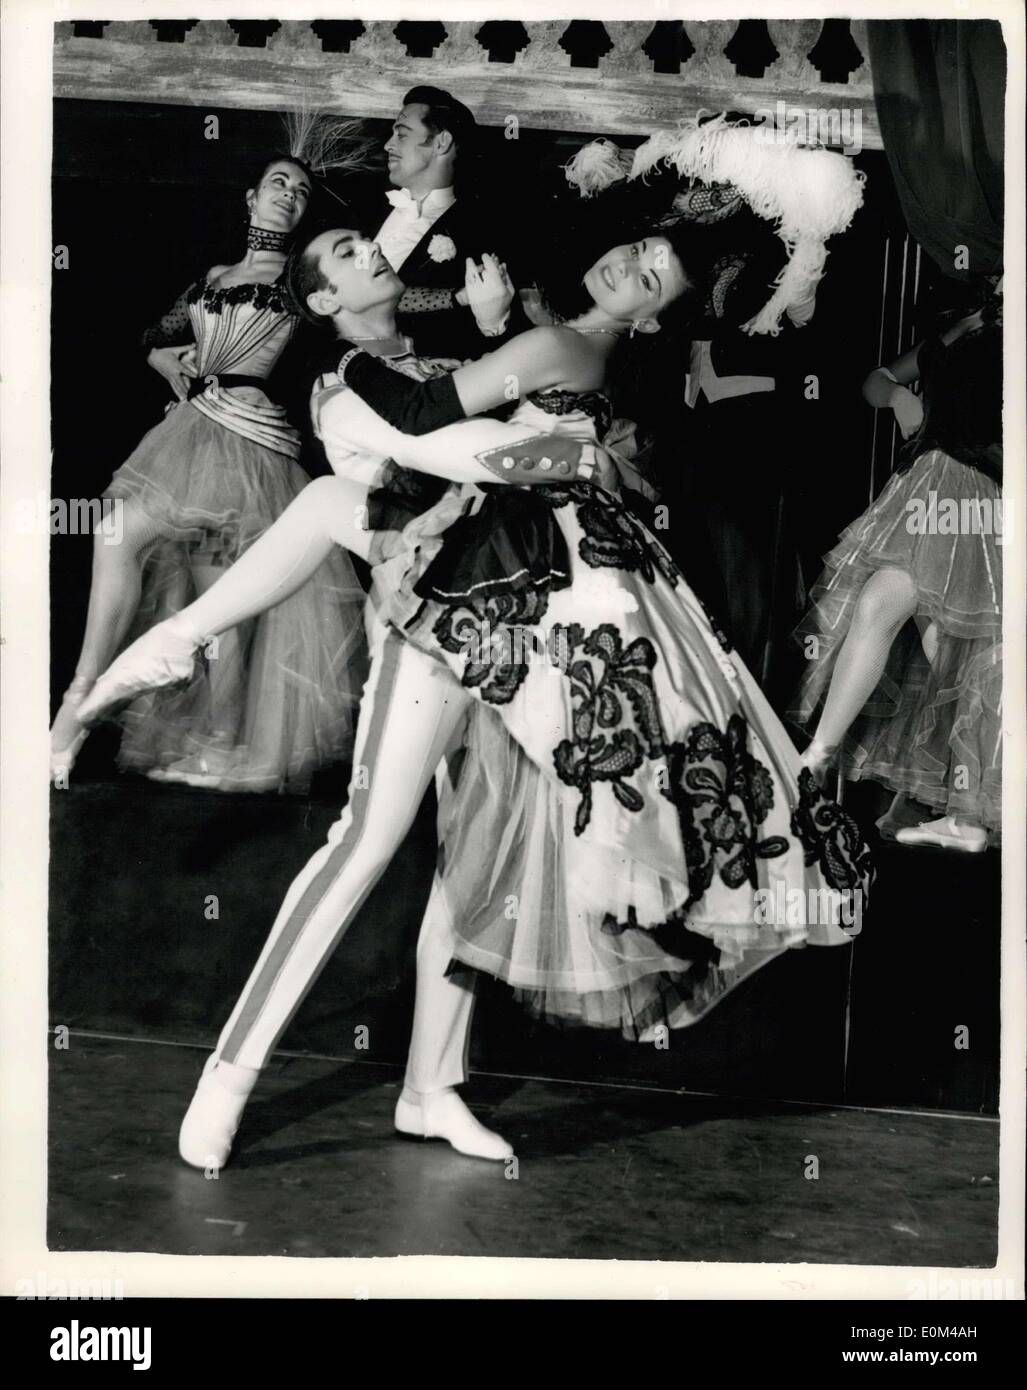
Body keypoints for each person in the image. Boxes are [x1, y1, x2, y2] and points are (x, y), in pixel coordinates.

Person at [80, 220, 873, 1168]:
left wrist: (344, 375)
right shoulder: (543, 342)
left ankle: (424, 1088)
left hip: (521, 614)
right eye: (638, 244)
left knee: (451, 858)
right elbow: (453, 449)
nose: (633, 258)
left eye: (658, 273)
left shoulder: (559, 345)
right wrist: (481, 405)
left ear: (660, 318)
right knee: (386, 844)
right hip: (479, 604)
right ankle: (241, 1072)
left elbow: (425, 427)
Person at [49, 155, 365, 791]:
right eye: (278, 183)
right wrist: (162, 355)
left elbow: (378, 293)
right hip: (188, 432)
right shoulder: (213, 276)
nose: (289, 195)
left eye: (301, 192)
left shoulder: (304, 282)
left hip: (245, 450)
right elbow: (154, 333)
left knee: (213, 592)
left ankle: (222, 742)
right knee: (114, 534)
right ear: (250, 198)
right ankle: (76, 704)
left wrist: (466, 296)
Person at [792, 283, 1003, 852]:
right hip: (929, 486)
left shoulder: (1005, 339)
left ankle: (819, 758)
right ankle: (969, 813)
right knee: (926, 637)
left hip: (966, 491)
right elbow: (874, 380)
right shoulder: (953, 337)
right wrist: (897, 397)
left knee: (920, 629)